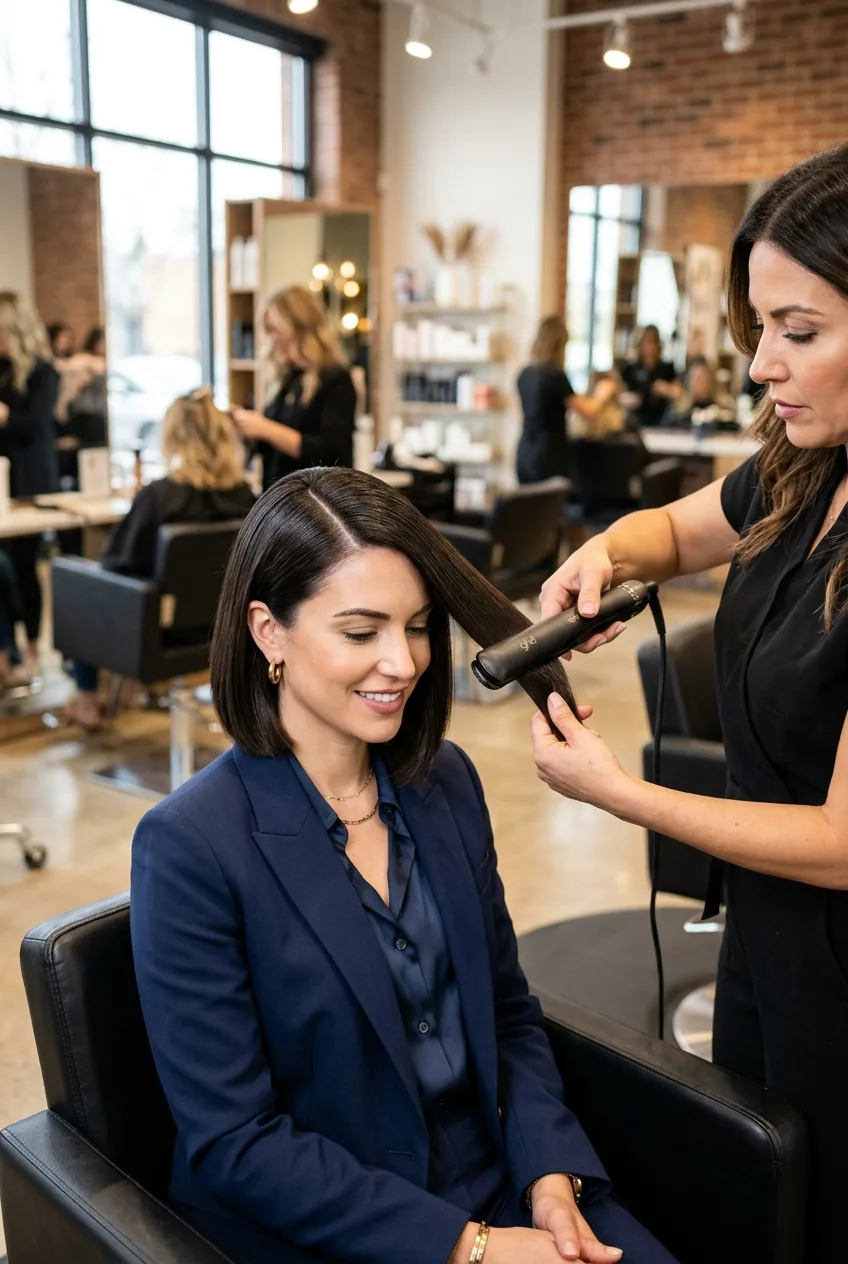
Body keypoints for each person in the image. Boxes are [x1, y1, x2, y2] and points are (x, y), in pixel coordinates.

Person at [131, 466, 679, 1264]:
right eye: (361, 632)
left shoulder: (442, 782)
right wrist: (469, 1248)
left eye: (419, 626)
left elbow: (507, 1014)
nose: (404, 662)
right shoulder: (191, 846)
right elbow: (236, 1141)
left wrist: (549, 1177)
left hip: (502, 1183)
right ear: (268, 631)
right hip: (340, 1228)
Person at [533, 144, 848, 1263]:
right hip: (765, 939)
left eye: (797, 331)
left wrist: (620, 793)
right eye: (756, 327)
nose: (760, 362)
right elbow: (671, 529)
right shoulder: (799, 470)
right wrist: (603, 553)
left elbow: (838, 841)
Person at [67, 390, 255, 730]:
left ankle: (87, 698)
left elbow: (116, 564)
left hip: (159, 635)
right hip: (227, 628)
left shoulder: (159, 496)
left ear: (172, 437)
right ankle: (126, 689)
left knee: (79, 587)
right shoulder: (244, 496)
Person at [231, 285, 356, 492]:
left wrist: (266, 428)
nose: (271, 338)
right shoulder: (289, 379)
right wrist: (247, 428)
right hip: (281, 498)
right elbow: (271, 447)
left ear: (298, 328)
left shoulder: (336, 380)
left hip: (317, 502)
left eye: (275, 329)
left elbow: (330, 452)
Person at [0, 291, 61, 678]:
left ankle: (34, 648)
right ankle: (8, 652)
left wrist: (5, 415)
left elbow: (37, 426)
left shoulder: (43, 372)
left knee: (25, 570)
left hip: (31, 482)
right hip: (2, 483)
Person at [515, 316, 620, 484]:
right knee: (549, 508)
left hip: (524, 453)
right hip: (548, 455)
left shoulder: (524, 374)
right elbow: (588, 411)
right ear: (559, 346)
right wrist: (603, 392)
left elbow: (521, 415)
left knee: (529, 507)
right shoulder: (555, 376)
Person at [619, 327, 680, 428]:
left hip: (661, 417)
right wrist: (629, 399)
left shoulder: (667, 368)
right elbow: (619, 394)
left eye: (653, 341)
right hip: (635, 417)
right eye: (646, 341)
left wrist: (665, 389)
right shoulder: (630, 368)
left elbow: (678, 393)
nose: (649, 346)